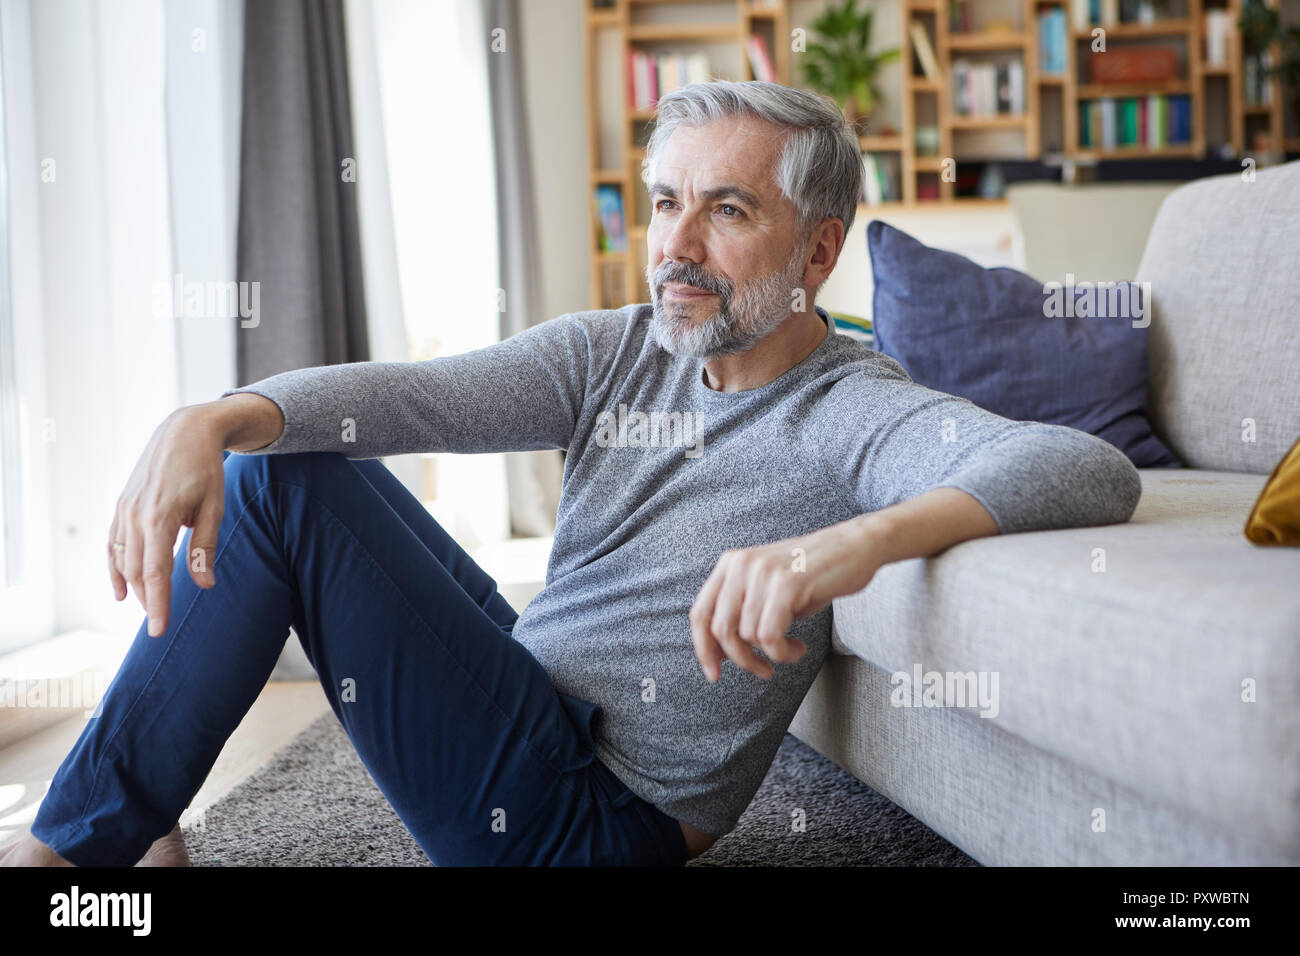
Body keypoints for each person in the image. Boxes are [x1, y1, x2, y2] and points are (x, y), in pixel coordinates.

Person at [2, 80, 1140, 867]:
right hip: (531, 696)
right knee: (277, 451)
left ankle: (63, 847)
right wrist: (215, 412)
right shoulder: (620, 348)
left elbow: (1078, 466)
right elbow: (421, 393)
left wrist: (848, 542)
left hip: (582, 821)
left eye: (727, 209)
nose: (676, 244)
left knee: (274, 486)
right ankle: (133, 799)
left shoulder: (850, 409)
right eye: (663, 203)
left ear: (818, 251)